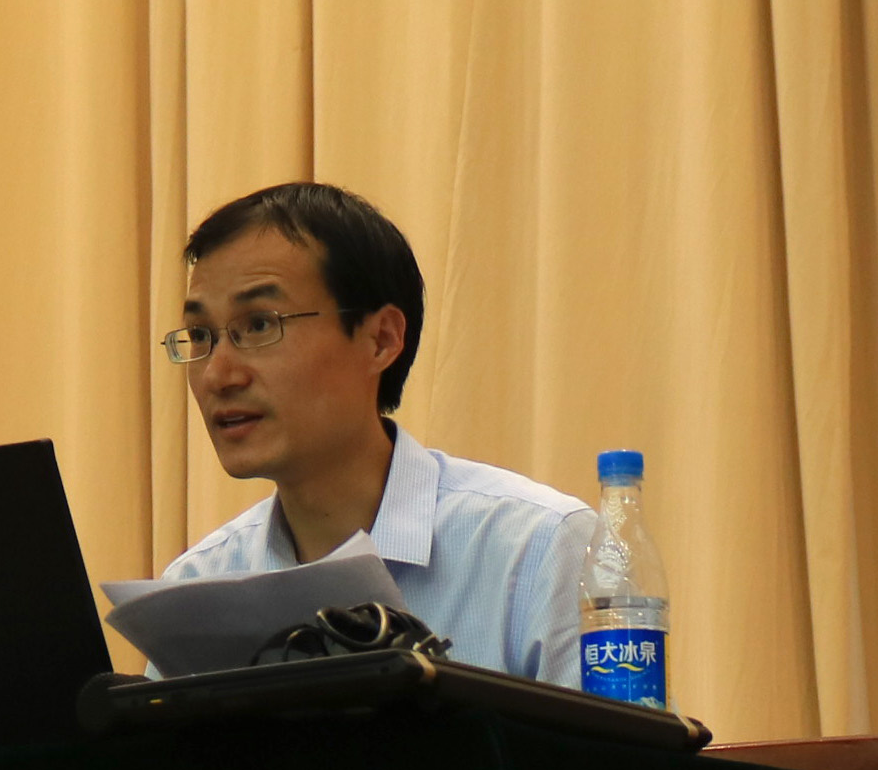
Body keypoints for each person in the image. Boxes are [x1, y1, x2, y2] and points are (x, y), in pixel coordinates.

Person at [160, 182, 593, 683]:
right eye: (200, 336)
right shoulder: (198, 587)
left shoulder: (539, 550)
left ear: (381, 339)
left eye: (258, 325)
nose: (217, 375)